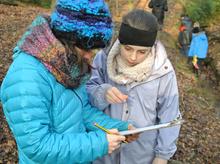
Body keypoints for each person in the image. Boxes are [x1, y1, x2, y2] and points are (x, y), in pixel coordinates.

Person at [0, 0, 137, 163]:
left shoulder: (67, 65)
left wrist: (120, 128)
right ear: (67, 40)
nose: (89, 56)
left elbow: (81, 111)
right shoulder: (26, 78)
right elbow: (37, 147)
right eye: (87, 49)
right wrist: (100, 143)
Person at [86, 9, 181, 164]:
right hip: (103, 151)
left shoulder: (163, 71)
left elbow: (170, 116)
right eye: (127, 48)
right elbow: (86, 95)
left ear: (151, 48)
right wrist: (102, 92)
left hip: (141, 155)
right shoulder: (103, 59)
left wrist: (162, 156)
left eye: (142, 52)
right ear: (120, 41)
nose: (133, 57)